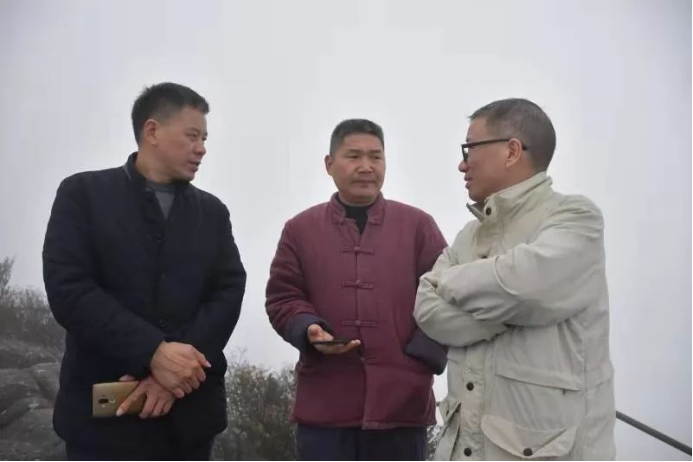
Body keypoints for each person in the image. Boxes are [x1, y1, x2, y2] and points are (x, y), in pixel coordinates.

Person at [42, 82, 247, 461]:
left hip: (190, 423)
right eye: (192, 136)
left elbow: (228, 291)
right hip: (102, 422)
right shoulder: (83, 194)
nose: (202, 148)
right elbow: (68, 289)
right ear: (152, 130)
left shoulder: (212, 212)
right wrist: (151, 352)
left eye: (204, 138)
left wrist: (175, 375)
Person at [414, 98, 615, 461]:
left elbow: (524, 289)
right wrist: (502, 316)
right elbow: (425, 309)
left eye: (469, 148)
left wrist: (448, 283)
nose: (462, 164)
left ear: (511, 151)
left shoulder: (575, 217)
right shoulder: (467, 236)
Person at [266, 119, 448, 461]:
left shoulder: (418, 226)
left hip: (402, 407)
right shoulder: (299, 229)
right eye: (354, 156)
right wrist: (308, 329)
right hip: (324, 405)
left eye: (376, 157)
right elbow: (282, 297)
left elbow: (448, 295)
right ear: (329, 164)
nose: (366, 166)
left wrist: (421, 359)